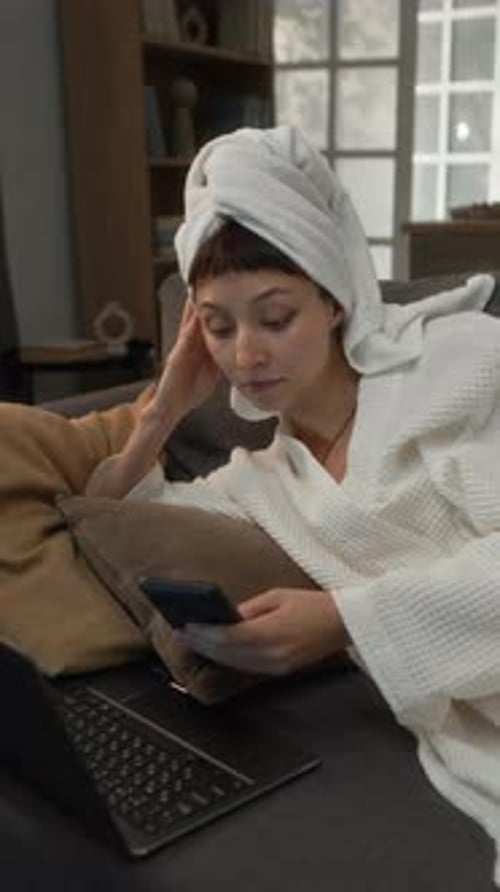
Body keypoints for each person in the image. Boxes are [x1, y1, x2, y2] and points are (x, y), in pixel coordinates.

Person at [86, 125, 500, 882]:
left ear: (336, 299)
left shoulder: (459, 364)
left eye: (275, 318)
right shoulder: (263, 479)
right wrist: (163, 411)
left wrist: (347, 622)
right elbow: (109, 514)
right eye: (217, 325)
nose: (246, 354)